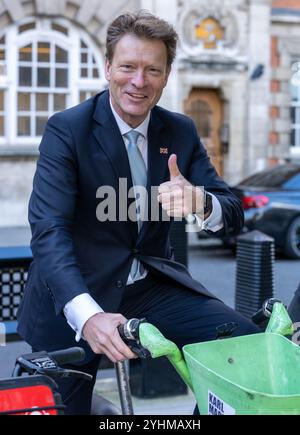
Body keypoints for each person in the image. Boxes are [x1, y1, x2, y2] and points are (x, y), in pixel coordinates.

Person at [17, 10, 259, 415]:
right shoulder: (67, 129)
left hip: (150, 289)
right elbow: (49, 231)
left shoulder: (179, 130)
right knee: (61, 409)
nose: (139, 81)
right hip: (76, 296)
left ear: (166, 76)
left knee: (245, 352)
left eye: (153, 70)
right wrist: (88, 316)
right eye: (128, 66)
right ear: (108, 67)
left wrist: (201, 201)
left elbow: (234, 212)